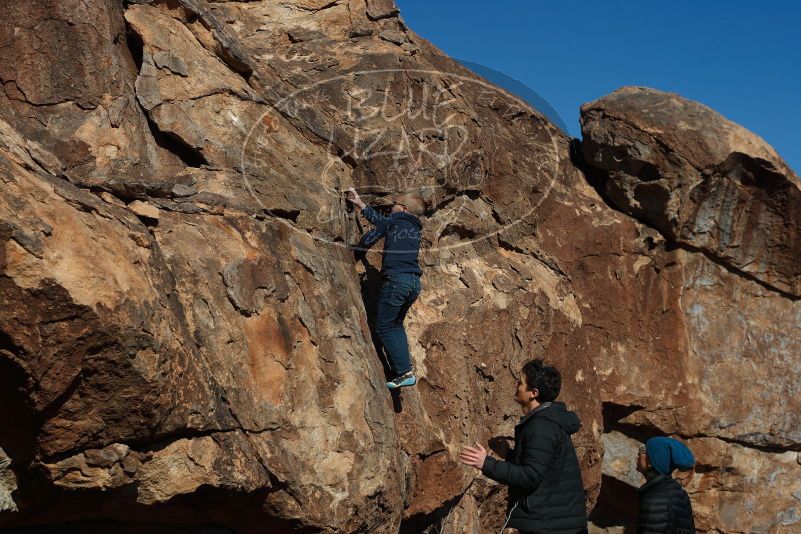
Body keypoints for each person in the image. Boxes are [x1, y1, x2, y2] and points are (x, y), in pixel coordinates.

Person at [459, 359, 588, 534]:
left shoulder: (542, 427)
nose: (517, 385)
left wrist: (486, 464)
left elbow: (531, 476)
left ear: (533, 393)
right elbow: (543, 468)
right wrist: (508, 454)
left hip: (550, 526)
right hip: (555, 522)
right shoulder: (546, 421)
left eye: (521, 383)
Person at [347, 187, 424, 389]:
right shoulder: (413, 227)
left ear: (404, 209)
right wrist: (361, 205)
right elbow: (384, 223)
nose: (391, 208)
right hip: (413, 283)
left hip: (396, 281)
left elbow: (375, 233)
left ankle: (403, 372)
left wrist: (355, 252)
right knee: (395, 324)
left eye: (394, 205)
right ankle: (405, 371)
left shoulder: (395, 221)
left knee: (384, 326)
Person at [636, 437, 696, 534]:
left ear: (652, 462)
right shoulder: (679, 492)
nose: (638, 454)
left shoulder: (656, 497)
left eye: (643, 450)